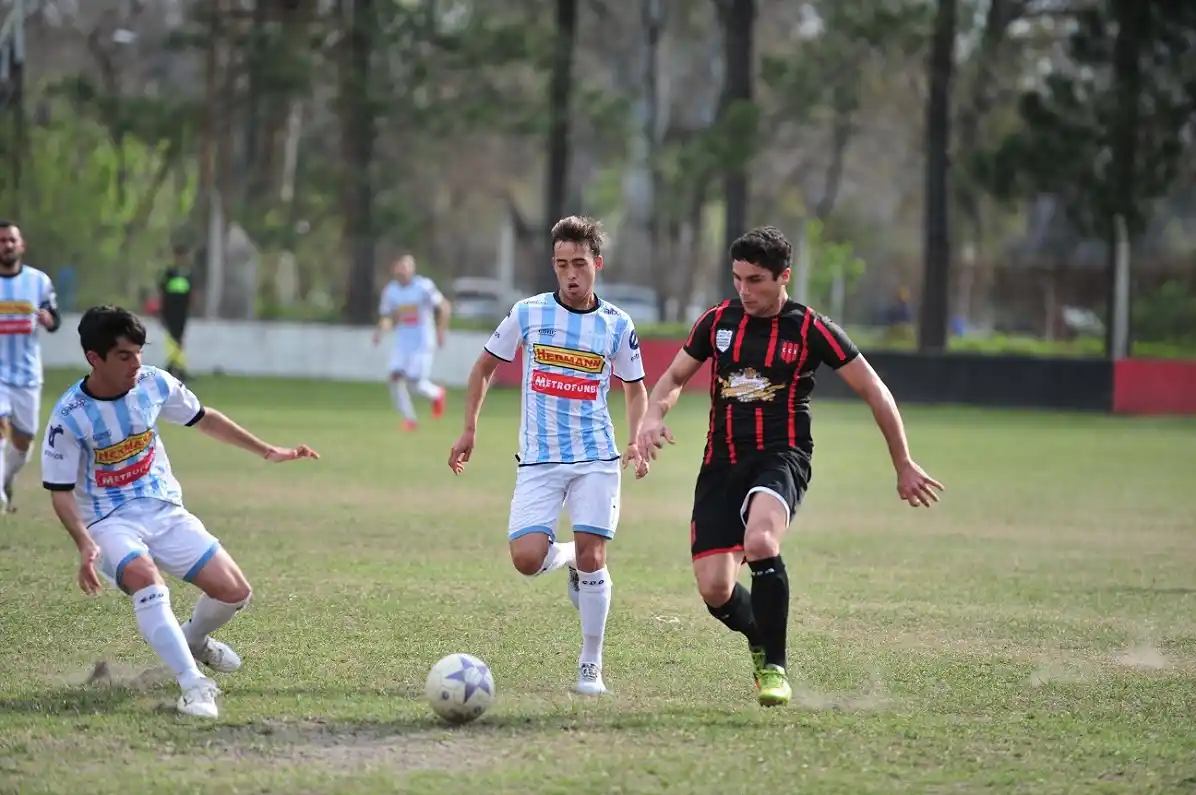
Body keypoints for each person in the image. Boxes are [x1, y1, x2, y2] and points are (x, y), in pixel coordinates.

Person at [636, 226, 944, 708]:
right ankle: (760, 636)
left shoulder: (811, 329)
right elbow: (675, 377)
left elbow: (874, 391)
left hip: (782, 458)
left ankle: (775, 667)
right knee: (716, 589)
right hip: (721, 463)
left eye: (755, 279)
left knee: (760, 542)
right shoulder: (717, 321)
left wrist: (902, 462)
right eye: (737, 278)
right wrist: (654, 414)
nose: (744, 289)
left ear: (784, 277)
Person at [41, 305, 319, 718]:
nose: (137, 363)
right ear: (93, 358)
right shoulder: (69, 418)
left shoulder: (153, 383)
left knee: (235, 592)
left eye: (139, 352)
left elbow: (204, 420)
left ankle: (191, 640)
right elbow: (61, 492)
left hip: (165, 509)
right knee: (146, 580)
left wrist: (267, 450)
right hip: (107, 521)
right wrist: (84, 543)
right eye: (124, 356)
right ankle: (193, 685)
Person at [447, 216, 650, 695]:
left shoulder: (617, 325)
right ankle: (570, 560)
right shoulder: (528, 313)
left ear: (597, 264)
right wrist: (469, 428)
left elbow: (635, 388)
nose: (571, 274)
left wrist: (637, 437)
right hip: (539, 459)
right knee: (526, 558)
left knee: (594, 552)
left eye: (579, 263)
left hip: (596, 458)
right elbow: (483, 368)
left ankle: (590, 666)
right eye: (561, 265)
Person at [0, 221, 61, 514]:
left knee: (22, 444)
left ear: (21, 245)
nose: (7, 245)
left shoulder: (38, 281)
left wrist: (49, 320)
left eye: (12, 240)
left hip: (26, 375)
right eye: (2, 241)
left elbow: (54, 317)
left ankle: (6, 478)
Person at [372, 254, 451, 430]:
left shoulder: (423, 287)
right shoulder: (391, 291)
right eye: (399, 266)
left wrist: (440, 331)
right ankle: (410, 419)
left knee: (415, 384)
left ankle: (437, 394)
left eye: (405, 266)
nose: (402, 270)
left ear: (412, 269)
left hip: (423, 342)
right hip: (403, 342)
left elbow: (444, 307)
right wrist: (380, 331)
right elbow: (389, 317)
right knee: (394, 377)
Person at [158, 245, 193, 381]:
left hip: (182, 311)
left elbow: (191, 293)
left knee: (179, 339)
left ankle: (178, 365)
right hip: (169, 310)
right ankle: (173, 365)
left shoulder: (188, 274)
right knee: (171, 338)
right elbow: (162, 291)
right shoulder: (169, 273)